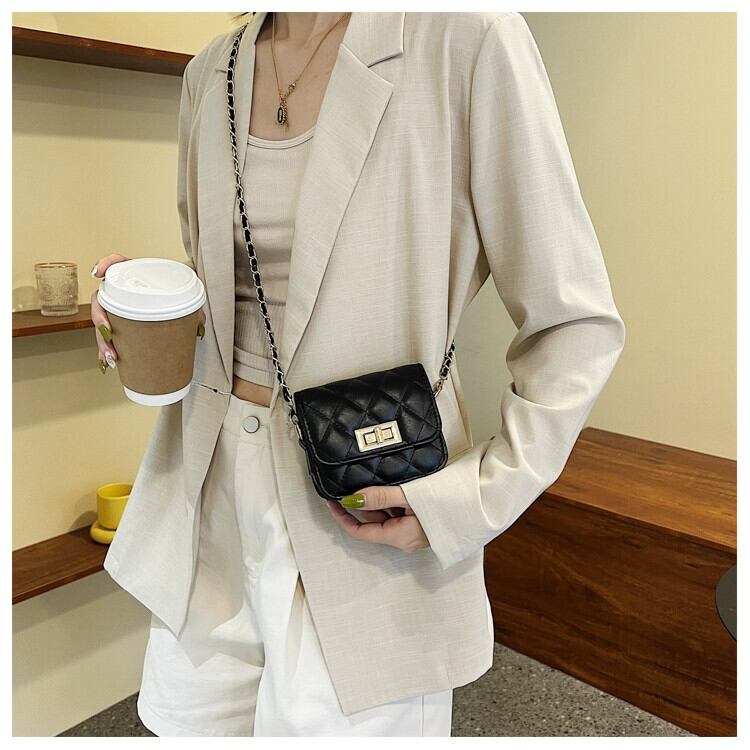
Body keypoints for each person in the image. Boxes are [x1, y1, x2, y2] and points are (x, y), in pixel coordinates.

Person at [92, 11, 626, 737]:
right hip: (207, 495)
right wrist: (146, 301)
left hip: (363, 505)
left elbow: (574, 321)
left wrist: (474, 497)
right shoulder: (211, 70)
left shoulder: (464, 37)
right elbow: (237, 292)